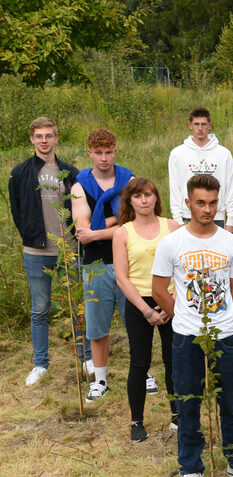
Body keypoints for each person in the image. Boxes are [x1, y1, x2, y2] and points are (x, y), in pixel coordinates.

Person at [152, 174, 233, 477]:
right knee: (188, 400)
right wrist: (184, 316)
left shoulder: (231, 243)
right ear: (188, 203)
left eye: (213, 203)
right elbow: (159, 289)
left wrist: (216, 314)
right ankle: (190, 466)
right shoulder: (172, 243)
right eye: (200, 203)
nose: (207, 209)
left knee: (229, 398)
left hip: (223, 333)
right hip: (187, 336)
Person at [8, 116, 87, 386]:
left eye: (48, 135)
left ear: (56, 138)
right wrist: (30, 236)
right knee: (40, 309)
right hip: (36, 251)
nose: (44, 140)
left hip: (69, 250)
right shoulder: (21, 173)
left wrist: (75, 239)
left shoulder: (71, 172)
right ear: (32, 139)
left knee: (78, 305)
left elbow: (81, 208)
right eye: (39, 136)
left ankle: (86, 358)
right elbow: (17, 211)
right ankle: (41, 364)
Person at [113, 178, 182, 441]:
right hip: (138, 302)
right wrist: (147, 311)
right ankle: (136, 421)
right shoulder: (123, 233)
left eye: (149, 194)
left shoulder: (173, 227)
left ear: (156, 198)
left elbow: (183, 268)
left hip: (171, 298)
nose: (144, 200)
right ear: (130, 201)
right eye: (138, 196)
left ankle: (178, 415)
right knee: (139, 362)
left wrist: (170, 301)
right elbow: (122, 278)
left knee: (174, 360)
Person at [70, 128, 134, 403]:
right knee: (97, 326)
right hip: (95, 263)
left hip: (129, 259)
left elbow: (135, 221)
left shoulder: (129, 180)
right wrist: (117, 221)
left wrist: (97, 232)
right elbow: (81, 229)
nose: (104, 158)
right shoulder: (79, 185)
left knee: (136, 322)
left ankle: (141, 374)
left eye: (109, 152)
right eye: (99, 152)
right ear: (90, 153)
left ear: (116, 151)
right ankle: (100, 379)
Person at [168, 108, 233, 231]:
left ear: (210, 126)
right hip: (187, 216)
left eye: (203, 124)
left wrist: (231, 221)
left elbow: (231, 188)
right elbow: (175, 189)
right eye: (196, 124)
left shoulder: (224, 154)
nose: (200, 128)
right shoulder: (177, 154)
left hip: (216, 217)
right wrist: (178, 220)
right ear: (190, 125)